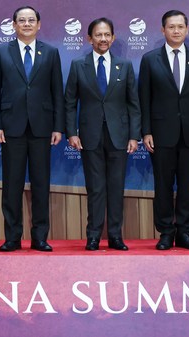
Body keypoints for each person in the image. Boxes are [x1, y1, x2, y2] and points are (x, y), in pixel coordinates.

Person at [0, 6, 64, 252]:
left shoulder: (51, 52)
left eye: (32, 20)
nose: (27, 24)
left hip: (42, 127)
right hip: (11, 128)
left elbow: (57, 93)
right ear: (14, 24)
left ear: (39, 24)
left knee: (41, 184)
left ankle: (40, 237)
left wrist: (58, 126)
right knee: (12, 185)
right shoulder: (1, 52)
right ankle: (12, 237)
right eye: (22, 20)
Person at [138, 9, 189, 251]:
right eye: (171, 27)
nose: (176, 31)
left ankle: (184, 232)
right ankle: (165, 233)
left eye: (180, 26)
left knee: (187, 185)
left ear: (187, 29)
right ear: (163, 30)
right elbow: (144, 98)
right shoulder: (150, 59)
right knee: (162, 185)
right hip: (160, 134)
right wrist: (146, 131)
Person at [64, 18, 140, 251]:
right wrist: (71, 133)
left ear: (113, 38)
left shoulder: (124, 65)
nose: (103, 39)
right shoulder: (78, 65)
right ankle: (94, 236)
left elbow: (133, 103)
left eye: (107, 35)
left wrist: (134, 136)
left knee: (116, 187)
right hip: (90, 135)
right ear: (90, 39)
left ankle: (116, 236)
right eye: (98, 35)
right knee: (95, 188)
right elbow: (69, 102)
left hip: (119, 135)